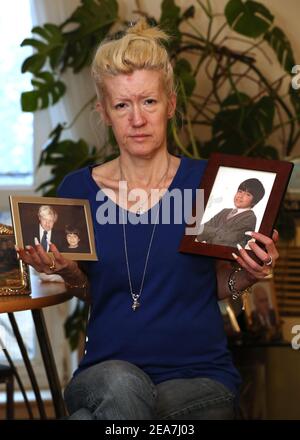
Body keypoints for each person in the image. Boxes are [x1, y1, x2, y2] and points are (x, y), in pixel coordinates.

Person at [16, 19, 279, 420]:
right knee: (122, 388)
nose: (137, 119)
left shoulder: (208, 185)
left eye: (148, 102)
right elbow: (93, 293)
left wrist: (249, 273)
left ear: (170, 104)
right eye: (122, 105)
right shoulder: (77, 190)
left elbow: (213, 286)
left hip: (198, 378)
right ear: (104, 112)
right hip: (105, 373)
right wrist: (70, 272)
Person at [196, 178, 265, 248]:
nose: (240, 196)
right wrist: (221, 233)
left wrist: (210, 232)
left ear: (255, 201)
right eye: (240, 191)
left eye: (247, 194)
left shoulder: (250, 218)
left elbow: (230, 240)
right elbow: (199, 229)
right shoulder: (224, 211)